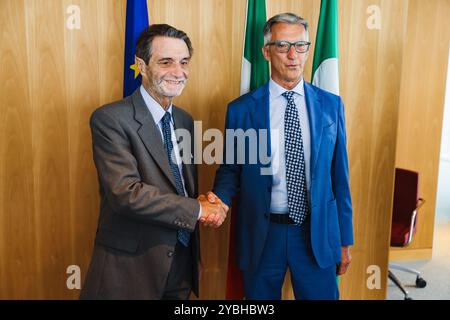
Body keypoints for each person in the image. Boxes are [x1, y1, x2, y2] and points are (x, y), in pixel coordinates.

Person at [208, 13, 354, 300]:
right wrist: (219, 200)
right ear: (266, 51)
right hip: (263, 234)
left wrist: (344, 238)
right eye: (283, 46)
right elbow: (231, 170)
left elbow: (340, 177)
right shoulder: (241, 110)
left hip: (316, 232)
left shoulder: (330, 106)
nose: (293, 55)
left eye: (300, 46)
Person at [80, 24, 227, 300]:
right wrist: (197, 209)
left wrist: (204, 209)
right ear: (142, 65)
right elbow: (126, 194)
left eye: (184, 62)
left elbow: (178, 187)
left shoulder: (184, 120)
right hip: (130, 270)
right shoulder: (110, 119)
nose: (178, 71)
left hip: (181, 264)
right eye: (166, 62)